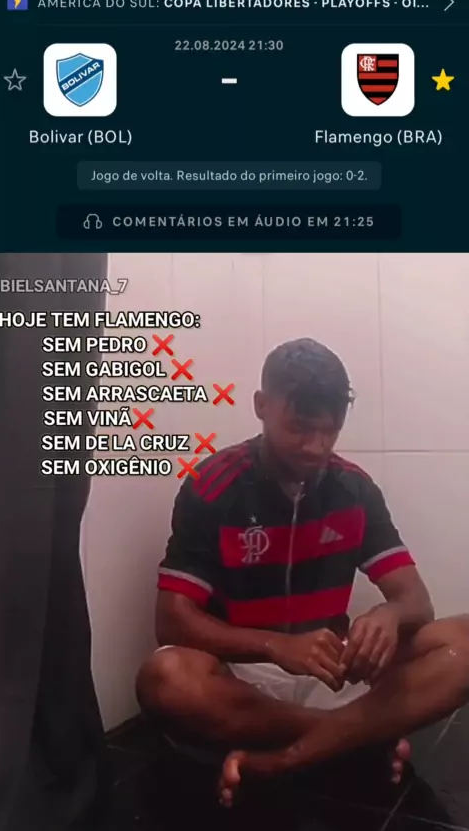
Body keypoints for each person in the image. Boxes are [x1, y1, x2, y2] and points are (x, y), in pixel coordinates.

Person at [136, 338, 469, 808]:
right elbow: (171, 621)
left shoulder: (354, 490)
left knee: (464, 642)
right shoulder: (213, 486)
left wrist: (389, 616)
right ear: (261, 406)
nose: (316, 447)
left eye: (330, 431)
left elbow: (416, 600)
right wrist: (275, 645)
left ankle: (285, 758)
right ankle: (358, 740)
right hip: (243, 683)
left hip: (333, 671)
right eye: (300, 428)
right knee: (164, 677)